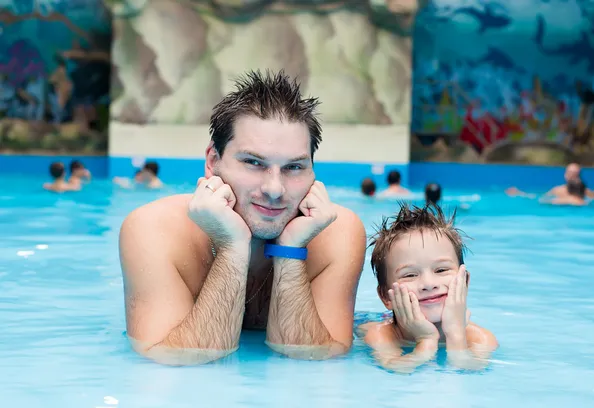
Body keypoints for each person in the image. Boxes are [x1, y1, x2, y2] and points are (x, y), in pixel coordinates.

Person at [118, 70, 367, 365]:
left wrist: (290, 250)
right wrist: (232, 246)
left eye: (294, 167)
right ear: (213, 162)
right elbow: (178, 361)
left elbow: (312, 360)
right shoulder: (154, 229)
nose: (275, 189)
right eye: (253, 162)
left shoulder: (337, 232)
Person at [359, 204, 498, 373]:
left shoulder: (481, 338)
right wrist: (426, 340)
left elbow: (470, 370)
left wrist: (456, 335)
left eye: (441, 270)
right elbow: (397, 368)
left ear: (465, 282)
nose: (428, 283)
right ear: (386, 297)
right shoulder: (382, 335)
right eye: (409, 275)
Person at [506, 163, 594, 199]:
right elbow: (539, 197)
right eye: (570, 173)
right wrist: (520, 193)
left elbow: (540, 199)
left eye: (574, 174)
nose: (572, 176)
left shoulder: (586, 191)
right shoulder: (557, 190)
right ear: (565, 175)